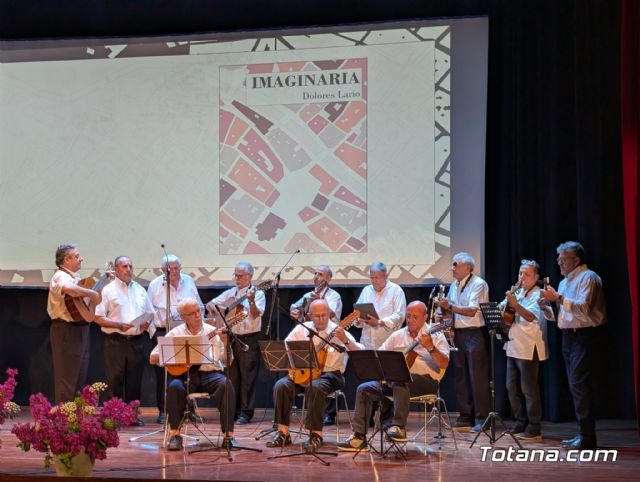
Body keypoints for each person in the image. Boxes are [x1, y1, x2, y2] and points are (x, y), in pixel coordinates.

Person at [337, 301, 449, 450]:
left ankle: (398, 427)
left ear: (425, 317)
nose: (410, 320)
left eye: (415, 317)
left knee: (400, 379)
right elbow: (378, 356)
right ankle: (359, 437)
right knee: (364, 389)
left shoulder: (436, 335)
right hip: (397, 382)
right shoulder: (398, 335)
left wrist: (431, 347)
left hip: (426, 382)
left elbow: (444, 364)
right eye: (408, 316)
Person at [266, 299, 363, 451]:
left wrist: (344, 339)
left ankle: (315, 435)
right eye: (317, 316)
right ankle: (283, 433)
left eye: (324, 315)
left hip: (331, 375)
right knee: (281, 385)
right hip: (304, 373)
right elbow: (286, 349)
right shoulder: (301, 329)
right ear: (309, 316)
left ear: (329, 314)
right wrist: (296, 368)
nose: (321, 319)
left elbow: (360, 353)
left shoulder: (338, 330)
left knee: (315, 387)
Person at [541, 241, 606, 450]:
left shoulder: (589, 277)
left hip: (584, 336)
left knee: (580, 385)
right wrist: (547, 306)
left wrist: (558, 298)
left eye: (563, 259)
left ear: (576, 260)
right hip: (568, 337)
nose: (559, 263)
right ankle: (582, 434)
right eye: (558, 259)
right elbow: (563, 315)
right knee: (575, 386)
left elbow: (584, 308)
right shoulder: (564, 282)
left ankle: (587, 438)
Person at [150, 298, 237, 451]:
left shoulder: (212, 331)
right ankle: (175, 435)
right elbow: (153, 358)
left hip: (210, 374)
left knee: (226, 384)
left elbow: (227, 361)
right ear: (183, 317)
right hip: (185, 375)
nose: (198, 315)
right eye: (192, 313)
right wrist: (177, 356)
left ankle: (228, 436)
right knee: (174, 387)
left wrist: (225, 342)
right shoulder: (175, 333)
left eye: (199, 311)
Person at [95, 256, 154, 426]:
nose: (128, 269)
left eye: (130, 266)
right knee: (114, 380)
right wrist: (118, 325)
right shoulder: (107, 290)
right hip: (115, 340)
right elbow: (97, 317)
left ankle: (131, 416)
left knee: (135, 380)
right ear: (116, 269)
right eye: (124, 266)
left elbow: (150, 313)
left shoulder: (140, 290)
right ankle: (113, 417)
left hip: (137, 340)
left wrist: (146, 324)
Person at [435, 252, 490, 432]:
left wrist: (449, 306)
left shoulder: (478, 284)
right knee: (461, 375)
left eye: (455, 264)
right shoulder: (454, 284)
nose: (452, 268)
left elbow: (472, 310)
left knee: (477, 376)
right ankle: (465, 415)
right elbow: (452, 310)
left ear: (468, 267)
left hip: (474, 333)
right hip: (458, 333)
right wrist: (443, 314)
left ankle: (482, 417)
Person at [206, 262, 265, 424]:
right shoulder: (230, 293)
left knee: (248, 377)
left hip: (248, 338)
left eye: (241, 276)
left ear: (250, 276)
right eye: (236, 275)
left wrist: (251, 301)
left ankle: (246, 413)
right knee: (232, 376)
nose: (237, 278)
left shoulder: (258, 293)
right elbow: (210, 305)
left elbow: (256, 314)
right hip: (231, 337)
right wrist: (220, 310)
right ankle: (233, 410)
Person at [147, 254, 202, 424]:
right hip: (163, 331)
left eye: (176, 268)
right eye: (169, 269)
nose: (174, 272)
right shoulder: (155, 285)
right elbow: (148, 311)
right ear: (163, 271)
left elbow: (199, 305)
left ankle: (189, 410)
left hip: (186, 331)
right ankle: (164, 411)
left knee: (189, 372)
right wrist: (154, 333)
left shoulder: (189, 281)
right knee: (164, 375)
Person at [47, 243, 103, 404]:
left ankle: (76, 413)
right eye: (77, 256)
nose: (81, 259)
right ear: (67, 260)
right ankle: (64, 415)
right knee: (67, 377)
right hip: (65, 330)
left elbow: (85, 305)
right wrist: (90, 293)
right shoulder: (60, 276)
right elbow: (68, 289)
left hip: (80, 329)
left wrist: (95, 297)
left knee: (79, 375)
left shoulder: (76, 278)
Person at [500, 259, 549, 440]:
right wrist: (504, 305)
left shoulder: (539, 294)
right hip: (513, 345)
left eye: (527, 274)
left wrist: (515, 304)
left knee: (529, 389)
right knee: (511, 387)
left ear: (536, 277)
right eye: (521, 273)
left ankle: (534, 426)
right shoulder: (518, 292)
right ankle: (520, 421)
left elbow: (530, 316)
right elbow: (504, 311)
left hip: (529, 347)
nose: (522, 277)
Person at [289, 264, 343, 425]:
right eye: (315, 274)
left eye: (320, 274)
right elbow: (294, 307)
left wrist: (318, 302)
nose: (316, 277)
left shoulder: (334, 296)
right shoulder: (309, 294)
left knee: (327, 370)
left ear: (328, 279)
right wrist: (296, 311)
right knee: (309, 373)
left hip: (330, 338)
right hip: (311, 336)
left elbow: (331, 313)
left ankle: (329, 414)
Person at [354, 261, 407, 349]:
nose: (374, 281)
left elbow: (399, 315)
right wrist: (358, 320)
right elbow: (357, 312)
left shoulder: (396, 290)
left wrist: (379, 322)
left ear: (386, 276)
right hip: (367, 343)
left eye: (377, 278)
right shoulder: (367, 290)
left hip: (387, 344)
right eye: (372, 278)